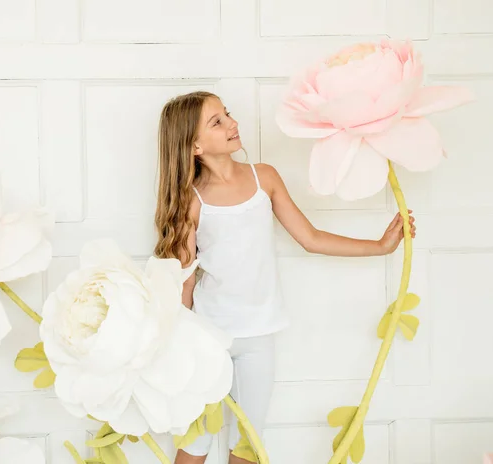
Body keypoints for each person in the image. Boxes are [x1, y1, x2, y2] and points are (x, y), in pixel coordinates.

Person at [153, 91, 416, 464]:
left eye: (227, 114)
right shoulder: (193, 199)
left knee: (248, 444)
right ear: (194, 145)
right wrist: (179, 346)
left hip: (259, 336)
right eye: (218, 122)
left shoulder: (265, 178)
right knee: (197, 441)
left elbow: (310, 238)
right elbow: (184, 279)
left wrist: (379, 246)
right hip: (209, 339)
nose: (232, 123)